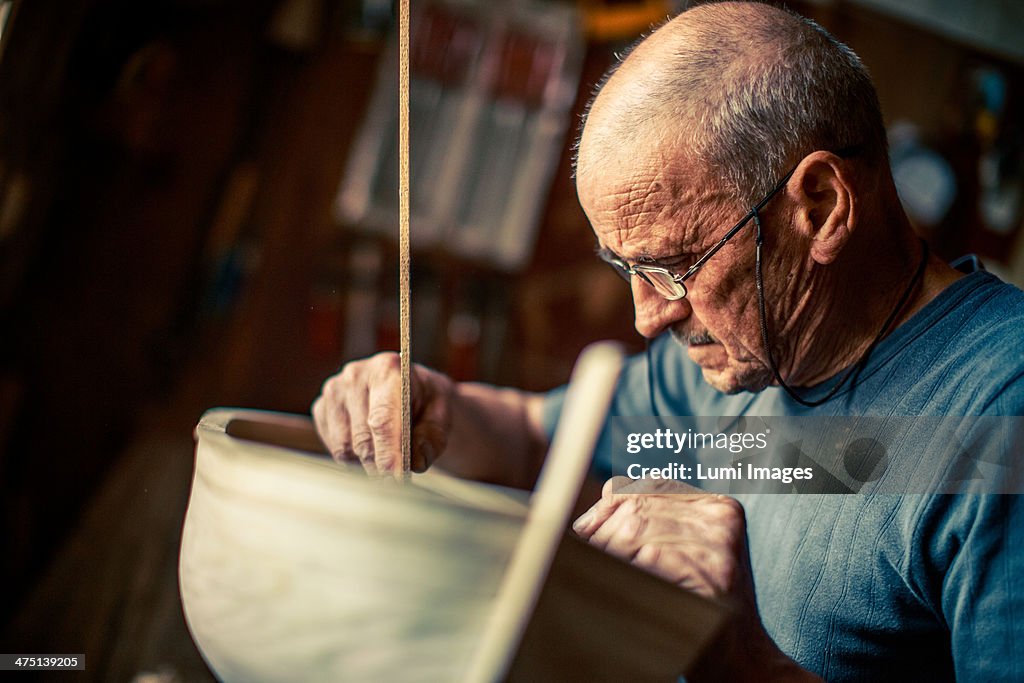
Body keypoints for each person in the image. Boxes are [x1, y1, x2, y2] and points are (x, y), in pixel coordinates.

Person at [312, 2, 1024, 681]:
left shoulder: (1001, 417)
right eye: (626, 268)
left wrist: (742, 664)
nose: (646, 318)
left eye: (672, 267)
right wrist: (428, 405)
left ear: (820, 207)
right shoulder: (724, 369)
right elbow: (534, 438)